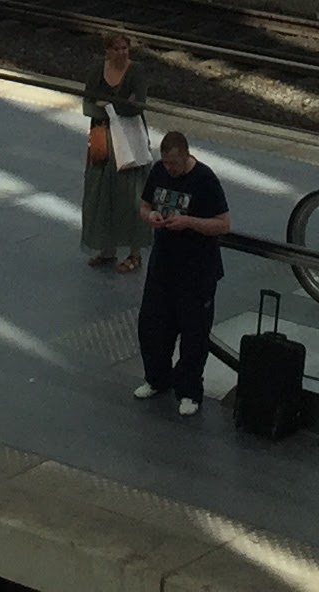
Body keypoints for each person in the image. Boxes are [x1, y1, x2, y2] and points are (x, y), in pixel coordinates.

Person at [132, 130, 232, 419]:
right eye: (165, 164)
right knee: (153, 325)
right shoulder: (159, 173)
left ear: (186, 156)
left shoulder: (205, 180)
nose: (170, 170)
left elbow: (223, 224)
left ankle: (189, 390)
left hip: (197, 269)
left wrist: (189, 222)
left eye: (174, 164)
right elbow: (145, 205)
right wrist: (150, 216)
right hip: (163, 264)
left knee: (193, 333)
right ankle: (157, 377)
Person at [81, 31, 154, 271]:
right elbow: (88, 107)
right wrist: (118, 107)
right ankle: (107, 248)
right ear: (108, 51)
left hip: (130, 140)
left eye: (125, 48)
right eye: (117, 48)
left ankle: (135, 253)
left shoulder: (137, 71)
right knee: (101, 191)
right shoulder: (95, 70)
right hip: (103, 138)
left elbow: (138, 106)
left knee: (131, 193)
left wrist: (109, 106)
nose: (122, 52)